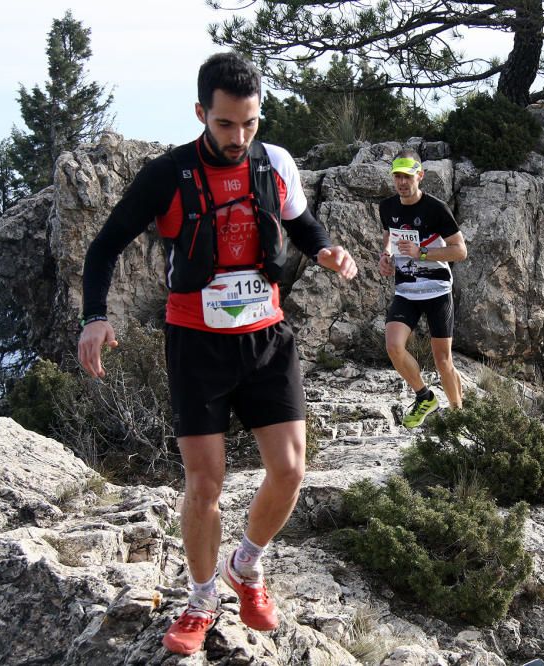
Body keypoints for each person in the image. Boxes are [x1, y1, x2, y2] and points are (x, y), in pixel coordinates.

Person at [77, 52, 357, 656]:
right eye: (226, 124)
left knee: (290, 470)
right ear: (201, 112)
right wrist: (94, 319)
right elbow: (103, 248)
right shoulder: (166, 174)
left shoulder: (274, 162)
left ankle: (245, 565)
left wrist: (329, 250)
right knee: (205, 483)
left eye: (250, 123)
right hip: (198, 342)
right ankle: (201, 598)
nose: (239, 137)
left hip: (266, 336)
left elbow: (300, 224)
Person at [378, 150, 468, 427]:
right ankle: (424, 396)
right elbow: (388, 236)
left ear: (420, 175)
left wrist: (422, 253)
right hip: (406, 290)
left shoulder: (435, 208)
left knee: (443, 361)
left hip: (437, 290)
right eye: (397, 176)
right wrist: (386, 257)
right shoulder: (388, 207)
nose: (402, 182)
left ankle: (458, 415)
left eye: (407, 176)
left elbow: (460, 251)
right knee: (394, 346)